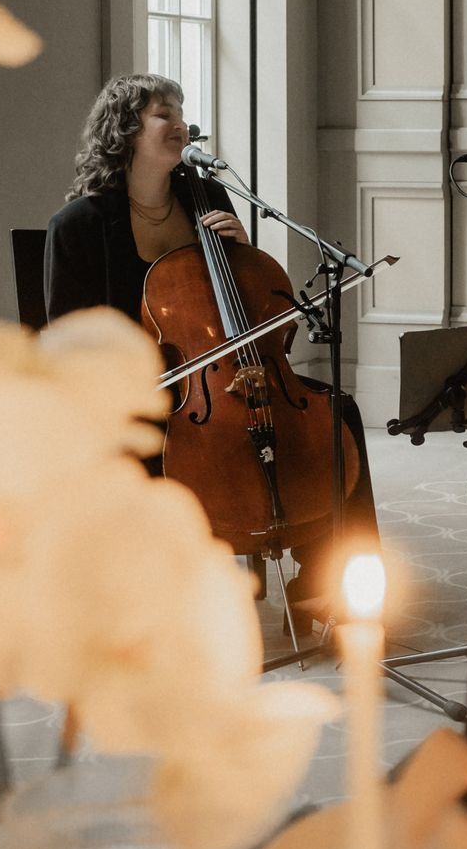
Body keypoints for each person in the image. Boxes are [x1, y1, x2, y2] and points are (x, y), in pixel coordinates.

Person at [44, 72, 379, 607]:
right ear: (127, 130)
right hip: (137, 389)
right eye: (164, 114)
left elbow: (246, 299)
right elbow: (68, 341)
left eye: (180, 111)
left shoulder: (205, 196)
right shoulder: (80, 225)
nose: (180, 124)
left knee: (337, 411)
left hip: (225, 370)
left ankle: (332, 574)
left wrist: (242, 251)